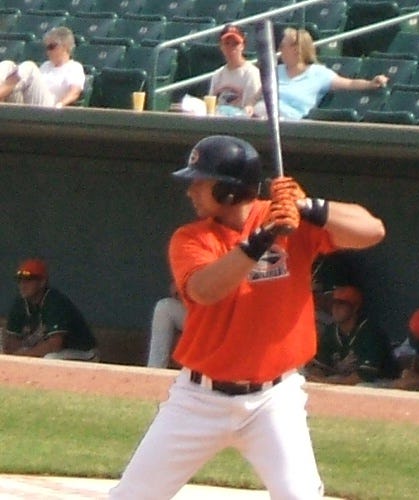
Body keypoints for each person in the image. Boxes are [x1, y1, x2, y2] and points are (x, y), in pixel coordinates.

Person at [109, 134, 386, 499]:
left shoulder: (289, 218)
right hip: (198, 400)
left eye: (199, 181)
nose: (190, 190)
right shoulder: (191, 237)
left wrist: (309, 207)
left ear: (227, 190)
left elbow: (372, 231)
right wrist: (261, 239)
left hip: (274, 400)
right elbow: (206, 290)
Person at [251, 27, 389, 120]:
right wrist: (248, 106)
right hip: (261, 117)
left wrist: (371, 83)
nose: (280, 50)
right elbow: (257, 96)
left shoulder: (319, 73)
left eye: (283, 46)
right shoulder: (276, 71)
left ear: (296, 49)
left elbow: (349, 83)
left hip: (290, 121)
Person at [3, 258, 99, 361]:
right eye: (20, 280)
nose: (23, 285)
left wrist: (24, 355)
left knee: (49, 358)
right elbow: (11, 341)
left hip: (82, 352)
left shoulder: (54, 301)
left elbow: (55, 344)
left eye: (28, 280)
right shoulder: (20, 302)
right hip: (54, 352)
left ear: (42, 282)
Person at [305, 285, 399, 386]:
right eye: (334, 303)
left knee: (361, 386)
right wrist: (316, 376)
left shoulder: (371, 332)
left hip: (382, 382)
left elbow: (363, 376)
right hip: (343, 379)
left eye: (341, 304)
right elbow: (319, 366)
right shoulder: (331, 331)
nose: (336, 308)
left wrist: (325, 382)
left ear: (355, 308)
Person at [0, 26, 85, 107]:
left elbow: (75, 92)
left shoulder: (74, 67)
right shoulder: (46, 65)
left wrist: (60, 105)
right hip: (29, 104)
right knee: (8, 65)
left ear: (65, 46)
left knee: (29, 67)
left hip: (49, 108)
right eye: (47, 47)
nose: (48, 51)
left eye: (51, 47)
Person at [208, 24, 261, 117]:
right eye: (227, 43)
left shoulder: (252, 74)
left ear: (242, 46)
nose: (231, 48)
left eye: (235, 44)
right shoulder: (217, 75)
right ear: (221, 46)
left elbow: (250, 109)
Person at [146, 281, 186, 369]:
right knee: (164, 307)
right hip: (197, 315)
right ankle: (155, 371)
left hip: (217, 320)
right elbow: (175, 288)